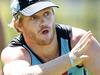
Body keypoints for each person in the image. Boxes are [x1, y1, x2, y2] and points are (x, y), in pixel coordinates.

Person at [1, 0, 100, 75]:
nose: (44, 22)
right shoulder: (14, 53)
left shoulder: (79, 41)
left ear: (53, 13)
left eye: (46, 13)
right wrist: (70, 59)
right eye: (34, 17)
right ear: (19, 25)